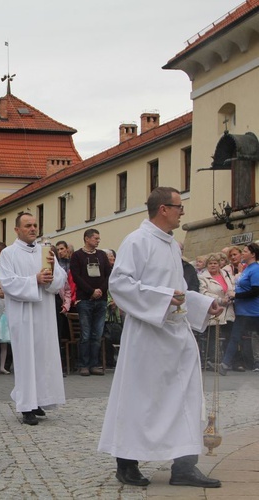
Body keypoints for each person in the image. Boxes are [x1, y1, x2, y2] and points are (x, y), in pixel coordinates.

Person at [98, 187, 222, 489]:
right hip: (148, 338)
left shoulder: (169, 245)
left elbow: (177, 289)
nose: (182, 212)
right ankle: (126, 463)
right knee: (141, 399)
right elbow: (121, 285)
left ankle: (184, 466)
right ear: (163, 209)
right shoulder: (137, 241)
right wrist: (166, 299)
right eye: (179, 207)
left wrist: (204, 304)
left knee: (186, 399)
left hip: (176, 336)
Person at [0, 213, 67, 425]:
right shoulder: (8, 254)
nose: (32, 229)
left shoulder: (46, 252)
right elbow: (8, 283)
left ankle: (37, 400)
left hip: (44, 312)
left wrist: (51, 277)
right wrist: (34, 280)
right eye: (28, 225)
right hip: (23, 314)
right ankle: (26, 407)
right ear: (17, 230)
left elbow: (61, 279)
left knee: (42, 357)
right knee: (26, 358)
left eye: (35, 225)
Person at [70, 228, 112, 376]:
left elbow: (109, 274)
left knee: (97, 334)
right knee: (86, 334)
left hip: (100, 300)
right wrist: (91, 291)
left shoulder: (101, 255)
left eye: (98, 238)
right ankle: (83, 364)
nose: (98, 240)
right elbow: (76, 276)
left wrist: (100, 290)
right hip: (85, 299)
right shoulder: (77, 256)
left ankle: (95, 364)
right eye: (95, 238)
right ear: (87, 239)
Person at [219, 243, 259, 375]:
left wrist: (236, 295)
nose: (243, 253)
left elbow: (256, 291)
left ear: (253, 254)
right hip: (242, 310)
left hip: (253, 311)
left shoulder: (255, 269)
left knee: (241, 337)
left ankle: (225, 363)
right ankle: (225, 364)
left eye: (246, 251)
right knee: (235, 337)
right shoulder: (246, 269)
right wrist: (233, 296)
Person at [198, 253, 234, 371]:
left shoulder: (225, 274)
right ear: (206, 265)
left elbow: (231, 286)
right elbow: (203, 293)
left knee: (227, 335)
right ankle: (212, 361)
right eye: (210, 263)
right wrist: (219, 299)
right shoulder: (203, 277)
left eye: (215, 263)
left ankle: (226, 361)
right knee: (213, 335)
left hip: (228, 309)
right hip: (214, 308)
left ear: (219, 265)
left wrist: (230, 295)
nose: (213, 266)